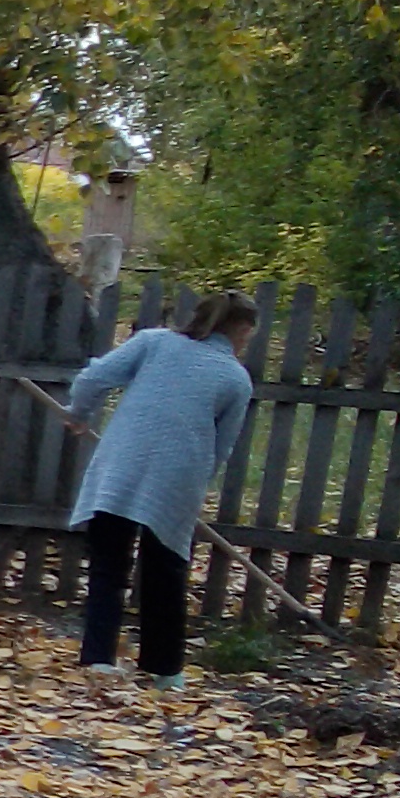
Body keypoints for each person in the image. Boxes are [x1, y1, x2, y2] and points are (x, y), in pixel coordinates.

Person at [66, 289, 259, 687]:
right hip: (178, 479)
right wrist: (198, 485)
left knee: (108, 567)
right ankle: (163, 669)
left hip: (121, 465)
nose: (246, 343)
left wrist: (79, 414)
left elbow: (93, 378)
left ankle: (98, 658)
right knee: (165, 573)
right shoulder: (236, 379)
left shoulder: (154, 342)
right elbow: (222, 448)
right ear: (240, 329)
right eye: (248, 335)